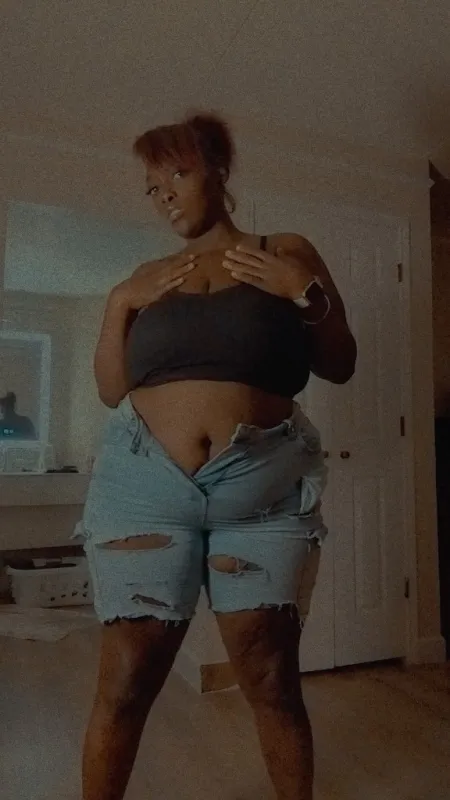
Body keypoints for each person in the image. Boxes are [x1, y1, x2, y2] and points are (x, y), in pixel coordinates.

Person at [76, 111, 357, 800]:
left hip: (261, 491)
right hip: (145, 487)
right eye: (153, 186)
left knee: (271, 678)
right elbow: (111, 389)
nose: (165, 195)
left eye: (178, 173)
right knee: (126, 680)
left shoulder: (283, 249)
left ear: (219, 169)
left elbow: (341, 363)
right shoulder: (147, 277)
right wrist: (118, 303)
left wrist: (304, 294)